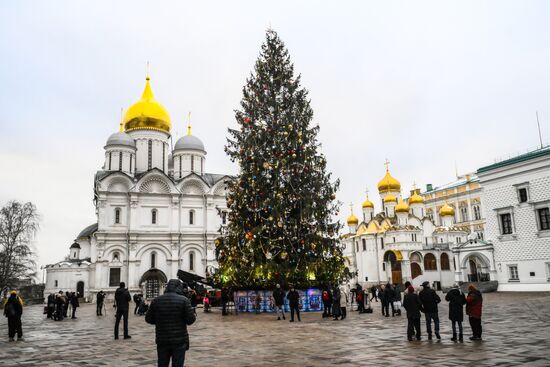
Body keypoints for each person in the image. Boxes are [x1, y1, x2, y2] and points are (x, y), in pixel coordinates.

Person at [146, 279, 196, 367]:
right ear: (178, 287)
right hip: (179, 340)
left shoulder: (156, 300)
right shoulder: (184, 300)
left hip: (162, 339)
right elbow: (190, 320)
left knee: (162, 364)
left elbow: (148, 319)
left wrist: (159, 320)